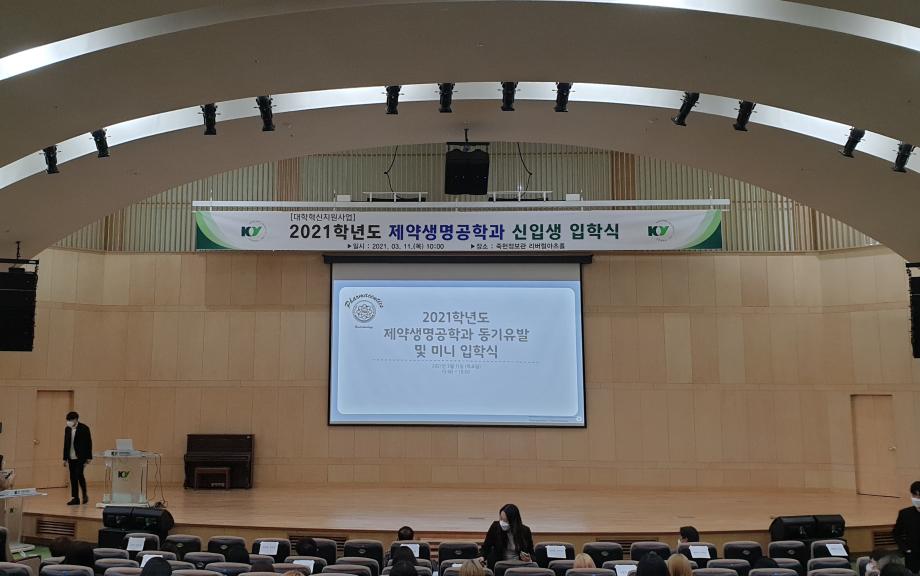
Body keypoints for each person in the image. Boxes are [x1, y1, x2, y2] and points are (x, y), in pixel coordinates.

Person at [479, 503, 534, 568]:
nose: (502, 522)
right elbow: (486, 547)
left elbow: (531, 552)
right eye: (501, 519)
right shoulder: (495, 527)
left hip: (519, 565)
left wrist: (529, 559)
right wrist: (482, 557)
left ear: (513, 521)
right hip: (500, 565)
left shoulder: (525, 531)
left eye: (505, 521)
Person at [62, 411, 92, 505]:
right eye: (67, 420)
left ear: (75, 419)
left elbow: (89, 443)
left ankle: (84, 494)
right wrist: (64, 458)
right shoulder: (67, 429)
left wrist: (89, 457)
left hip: (80, 456)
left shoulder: (84, 428)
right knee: (72, 477)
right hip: (71, 456)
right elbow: (66, 444)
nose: (68, 422)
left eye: (70, 420)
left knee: (79, 474)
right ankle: (75, 498)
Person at [894, 481, 920, 572]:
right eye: (914, 495)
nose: (917, 499)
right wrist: (905, 549)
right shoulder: (904, 514)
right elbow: (896, 533)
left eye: (919, 496)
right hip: (912, 555)